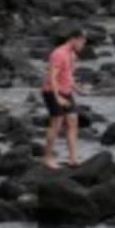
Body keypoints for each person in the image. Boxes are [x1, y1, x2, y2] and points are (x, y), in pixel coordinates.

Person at [40, 30, 86, 168]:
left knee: (73, 121)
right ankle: (47, 158)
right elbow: (52, 77)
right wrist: (58, 97)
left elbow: (68, 75)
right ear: (73, 39)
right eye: (82, 42)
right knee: (57, 123)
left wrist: (78, 89)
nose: (83, 45)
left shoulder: (71, 54)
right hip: (52, 92)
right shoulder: (58, 53)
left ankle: (72, 158)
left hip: (66, 92)